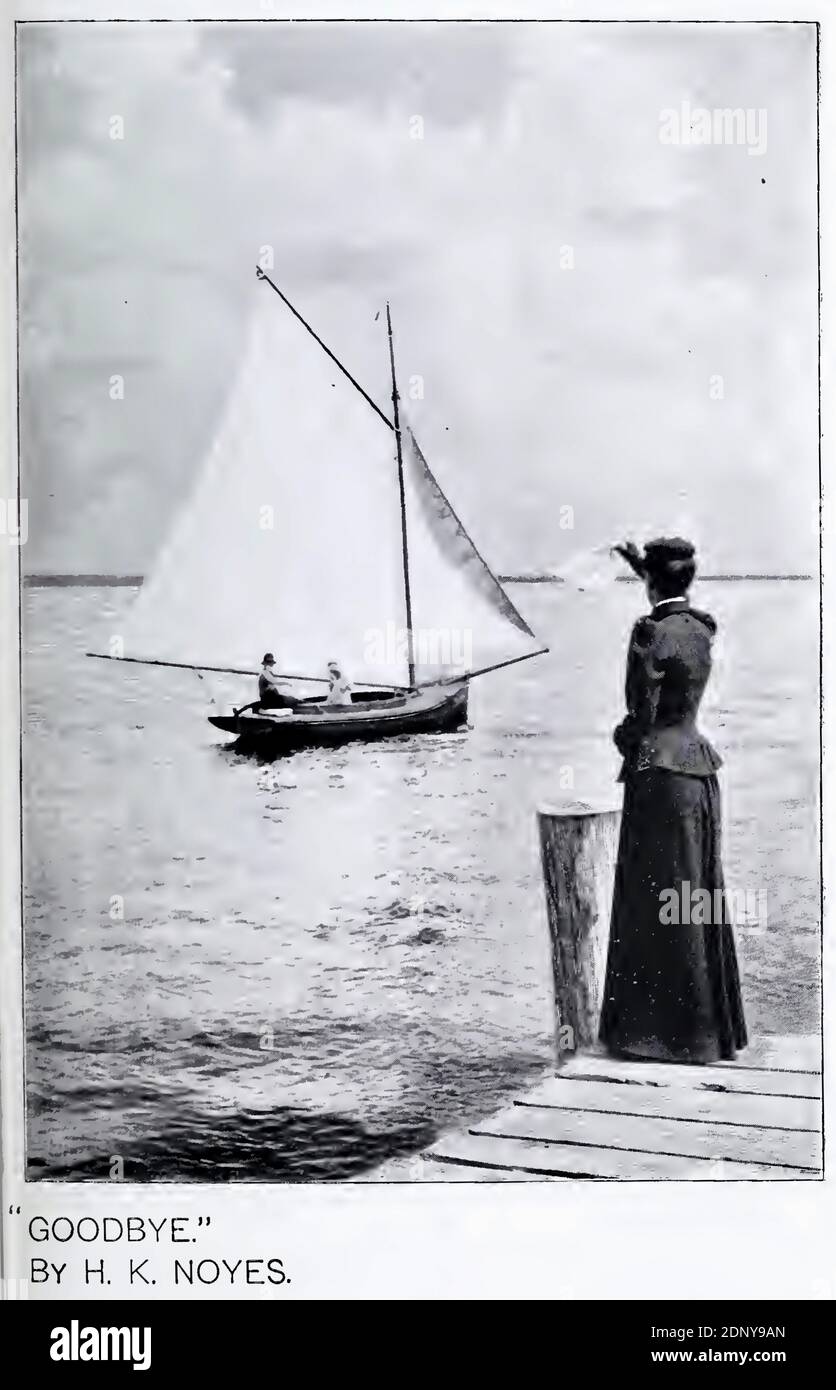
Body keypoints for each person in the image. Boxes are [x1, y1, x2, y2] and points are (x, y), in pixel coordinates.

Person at [598, 537, 747, 1064]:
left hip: (656, 772)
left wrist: (622, 739)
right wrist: (650, 573)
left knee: (649, 896)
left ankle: (657, 1038)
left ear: (651, 582)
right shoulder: (701, 628)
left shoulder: (649, 633)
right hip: (699, 769)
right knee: (694, 894)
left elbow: (640, 714)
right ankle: (707, 1035)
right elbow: (671, 613)